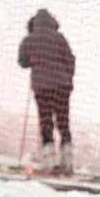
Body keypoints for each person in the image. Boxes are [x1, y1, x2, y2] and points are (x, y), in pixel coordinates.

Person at [19, 9, 76, 174]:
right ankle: (68, 161)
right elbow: (70, 59)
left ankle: (49, 161)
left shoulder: (29, 39)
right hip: (62, 86)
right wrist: (68, 79)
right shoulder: (60, 38)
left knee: (46, 121)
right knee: (63, 121)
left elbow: (22, 62)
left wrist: (34, 61)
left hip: (42, 87)